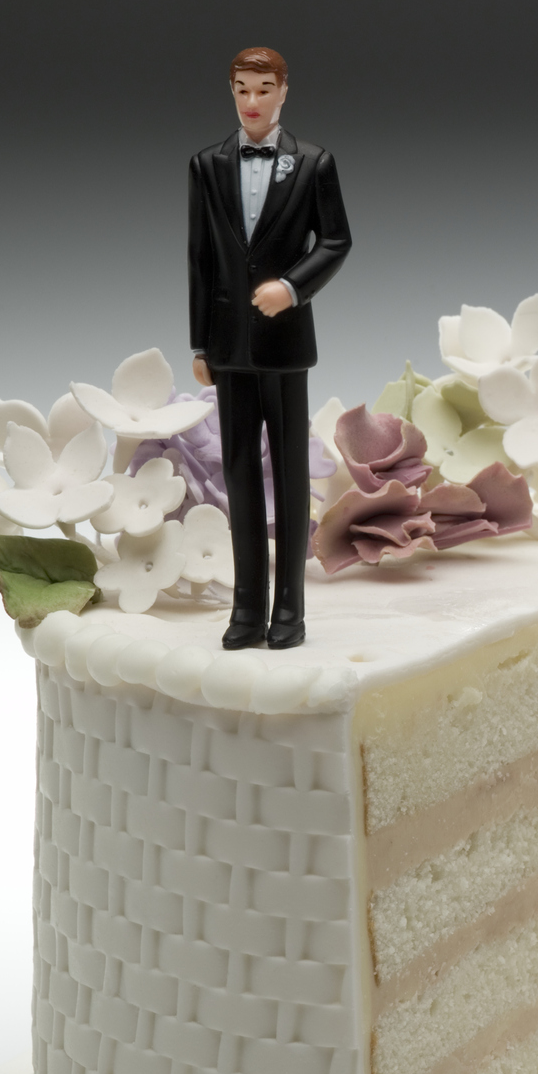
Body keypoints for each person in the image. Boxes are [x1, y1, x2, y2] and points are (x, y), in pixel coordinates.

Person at [188, 47, 352, 650]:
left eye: (263, 89)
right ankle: (246, 608)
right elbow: (200, 262)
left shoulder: (314, 163)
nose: (251, 102)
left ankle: (291, 610)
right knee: (238, 478)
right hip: (229, 345)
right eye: (241, 90)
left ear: (285, 92)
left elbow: (335, 240)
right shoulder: (207, 165)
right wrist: (200, 342)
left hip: (285, 344)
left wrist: (292, 287)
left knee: (287, 476)